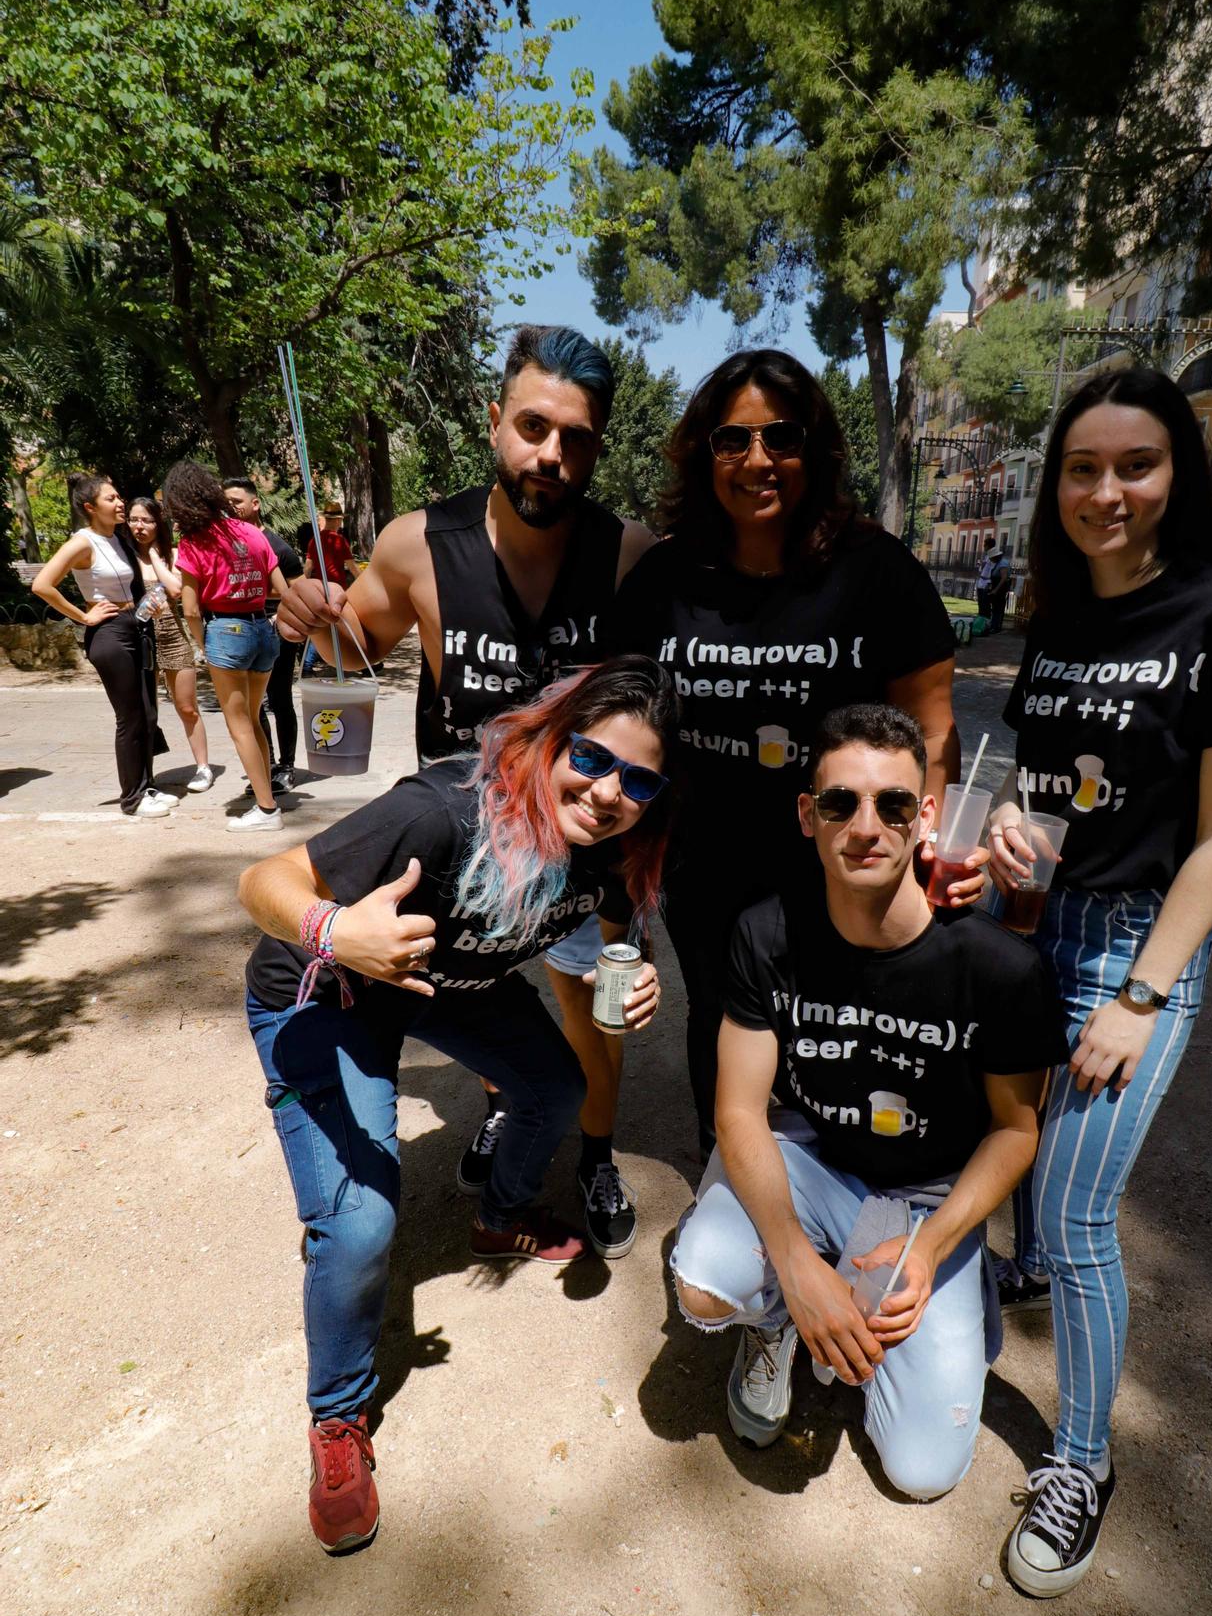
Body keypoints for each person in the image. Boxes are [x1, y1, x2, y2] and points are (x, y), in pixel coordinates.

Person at [238, 655, 673, 1553]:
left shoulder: (618, 846)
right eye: (591, 758)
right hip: (327, 988)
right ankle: (339, 1417)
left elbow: (622, 925)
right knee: (359, 1226)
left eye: (638, 780)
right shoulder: (439, 811)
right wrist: (334, 928)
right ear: (552, 738)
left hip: (450, 981)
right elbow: (263, 884)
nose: (605, 792)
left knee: (559, 1085)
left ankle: (500, 1214)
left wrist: (641, 979)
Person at [985, 368, 1212, 1597]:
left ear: (1178, 478)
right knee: (1016, 1150)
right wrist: (1011, 817)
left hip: (1131, 948)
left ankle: (1081, 1460)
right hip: (1036, 924)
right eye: (1083, 467)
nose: (1106, 490)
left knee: (1073, 1216)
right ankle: (1024, 1279)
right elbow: (1038, 772)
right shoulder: (1055, 615)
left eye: (1136, 465)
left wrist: (1141, 995)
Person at [276, 324, 658, 1250]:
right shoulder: (417, 545)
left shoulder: (627, 555)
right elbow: (351, 645)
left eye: (576, 438)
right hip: (462, 842)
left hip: (578, 845)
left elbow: (653, 701)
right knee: (473, 993)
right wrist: (306, 615)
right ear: (494, 422)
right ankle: (505, 1108)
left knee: (587, 1007)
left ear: (597, 446)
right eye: (532, 426)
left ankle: (595, 1153)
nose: (550, 454)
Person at [672, 704, 1068, 1499]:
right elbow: (739, 1111)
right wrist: (793, 1265)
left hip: (925, 1205)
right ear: (806, 816)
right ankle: (778, 1322)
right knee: (706, 1283)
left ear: (925, 816)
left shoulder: (999, 968)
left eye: (892, 804)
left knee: (921, 1472)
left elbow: (1013, 1131)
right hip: (811, 1163)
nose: (865, 825)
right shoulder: (764, 933)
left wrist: (927, 1251)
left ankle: (918, 1297)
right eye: (839, 803)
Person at [609, 348, 983, 1152]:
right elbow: (616, 718)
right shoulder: (663, 578)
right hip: (700, 861)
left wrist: (929, 845)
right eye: (731, 441)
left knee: (834, 1013)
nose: (756, 461)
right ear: (702, 453)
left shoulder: (877, 572)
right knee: (717, 1010)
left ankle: (834, 1172)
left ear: (812, 449)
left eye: (779, 437)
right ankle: (730, 1173)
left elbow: (932, 730)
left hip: (840, 854)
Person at [31, 474, 177, 818]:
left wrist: (147, 604)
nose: (120, 503)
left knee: (147, 713)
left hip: (136, 626)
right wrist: (83, 617)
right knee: (129, 717)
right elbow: (42, 584)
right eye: (111, 499)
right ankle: (133, 798)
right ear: (89, 507)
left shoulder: (118, 538)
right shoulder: (82, 542)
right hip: (109, 634)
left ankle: (147, 786)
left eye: (118, 497)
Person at [166, 461, 289, 832]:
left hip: (226, 631)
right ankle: (265, 796)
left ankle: (267, 810)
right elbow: (282, 590)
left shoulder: (193, 542)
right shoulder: (253, 533)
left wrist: (205, 646)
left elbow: (189, 609)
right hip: (263, 629)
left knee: (239, 728)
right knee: (252, 722)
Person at [126, 494, 213, 792]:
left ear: (157, 523)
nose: (140, 526)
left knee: (187, 707)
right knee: (145, 711)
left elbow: (176, 588)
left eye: (146, 520)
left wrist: (152, 556)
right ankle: (144, 773)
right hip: (138, 640)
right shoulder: (123, 559)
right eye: (134, 519)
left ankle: (203, 768)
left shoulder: (173, 555)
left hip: (172, 637)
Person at [222, 477, 302, 793]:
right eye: (225, 503)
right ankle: (264, 764)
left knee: (279, 699)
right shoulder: (225, 545)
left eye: (236, 502)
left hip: (276, 630)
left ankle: (286, 766)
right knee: (252, 705)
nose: (230, 509)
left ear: (255, 504)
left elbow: (299, 591)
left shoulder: (278, 547)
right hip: (239, 630)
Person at [975, 536, 1012, 633]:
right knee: (994, 608)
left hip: (1000, 589)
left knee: (998, 608)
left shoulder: (1002, 563)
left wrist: (995, 590)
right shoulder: (997, 562)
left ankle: (996, 627)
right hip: (994, 587)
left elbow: (1004, 578)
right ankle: (992, 625)